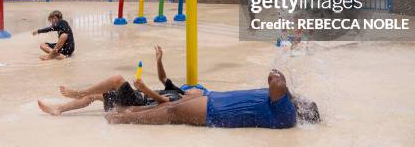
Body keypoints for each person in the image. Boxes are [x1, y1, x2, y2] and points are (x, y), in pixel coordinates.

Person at [105, 69, 319, 129]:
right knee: (174, 105)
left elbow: (277, 81)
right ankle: (131, 112)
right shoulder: (283, 107)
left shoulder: (287, 113)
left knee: (172, 111)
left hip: (218, 112)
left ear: (303, 111)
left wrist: (289, 90)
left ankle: (122, 119)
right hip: (216, 101)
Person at [37, 45, 198, 116]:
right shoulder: (179, 90)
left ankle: (79, 92)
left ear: (196, 97)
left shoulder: (180, 99)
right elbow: (163, 78)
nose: (194, 89)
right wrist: (158, 61)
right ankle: (58, 109)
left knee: (116, 79)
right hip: (138, 96)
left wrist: (144, 88)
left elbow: (163, 101)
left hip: (140, 103)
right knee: (95, 95)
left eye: (197, 90)